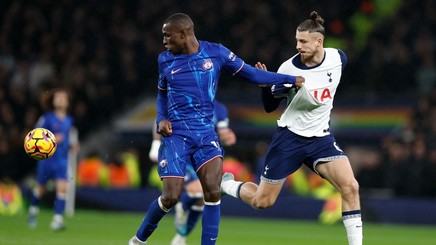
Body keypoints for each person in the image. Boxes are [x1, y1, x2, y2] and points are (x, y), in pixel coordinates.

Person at [128, 12, 304, 245]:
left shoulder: (216, 52)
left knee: (212, 191)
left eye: (167, 36)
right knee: (171, 197)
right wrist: (161, 117)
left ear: (184, 34)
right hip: (176, 135)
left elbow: (250, 73)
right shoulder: (164, 60)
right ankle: (138, 240)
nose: (164, 41)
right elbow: (161, 92)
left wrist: (289, 79)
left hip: (205, 134)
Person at [220, 11, 363, 245]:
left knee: (351, 187)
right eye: (296, 40)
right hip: (290, 139)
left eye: (303, 41)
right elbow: (269, 107)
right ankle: (226, 184)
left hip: (320, 139)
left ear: (319, 41)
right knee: (262, 201)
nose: (298, 46)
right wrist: (266, 87)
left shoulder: (339, 58)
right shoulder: (288, 69)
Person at [149, 100, 236, 245]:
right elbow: (160, 119)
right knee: (197, 190)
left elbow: (222, 131)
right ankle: (182, 206)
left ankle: (181, 236)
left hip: (203, 157)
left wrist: (228, 136)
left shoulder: (220, 109)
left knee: (202, 201)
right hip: (181, 154)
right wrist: (156, 143)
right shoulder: (185, 97)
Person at [28, 88, 79, 231]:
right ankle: (33, 211)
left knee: (63, 188)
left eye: (64, 98)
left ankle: (57, 220)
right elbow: (35, 136)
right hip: (47, 160)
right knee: (40, 189)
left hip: (62, 160)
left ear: (68, 102)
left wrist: (71, 146)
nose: (61, 100)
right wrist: (52, 139)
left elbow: (66, 140)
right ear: (53, 100)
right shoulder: (47, 118)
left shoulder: (69, 120)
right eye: (58, 97)